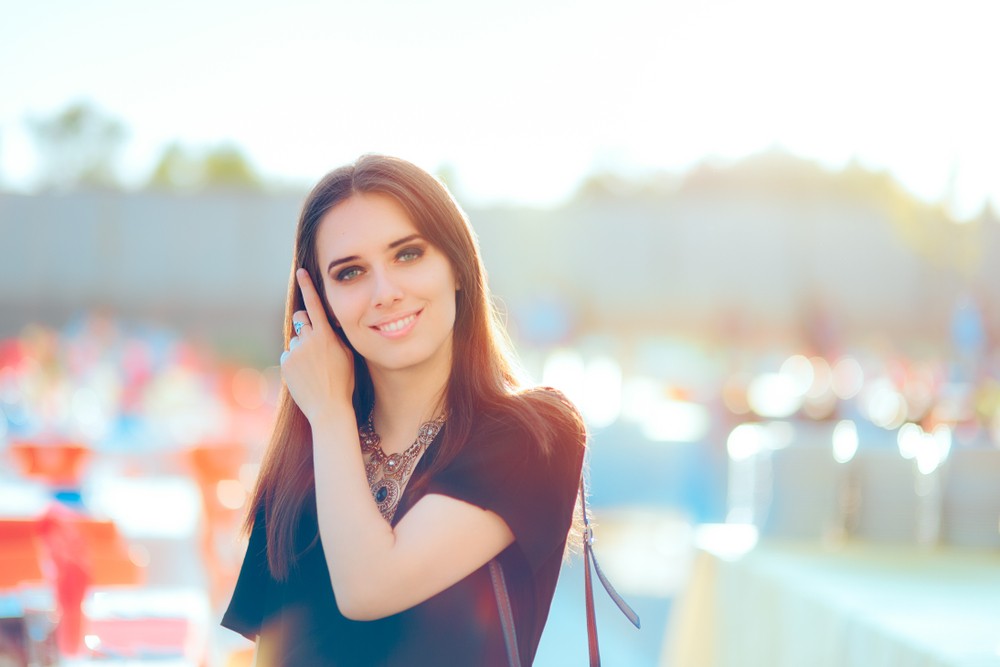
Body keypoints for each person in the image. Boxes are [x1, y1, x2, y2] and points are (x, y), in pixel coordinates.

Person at [221, 154, 586, 666]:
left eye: (408, 255)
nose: (385, 293)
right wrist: (325, 423)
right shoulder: (305, 460)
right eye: (350, 273)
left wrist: (329, 415)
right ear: (321, 304)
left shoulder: (532, 432)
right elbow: (273, 654)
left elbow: (368, 588)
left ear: (457, 267)